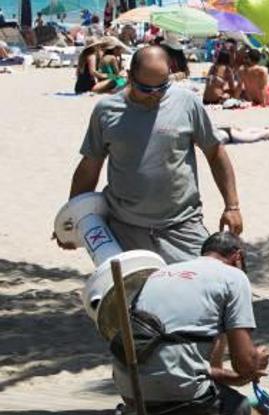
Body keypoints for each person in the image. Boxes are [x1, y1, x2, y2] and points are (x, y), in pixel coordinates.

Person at [57, 46, 244, 263]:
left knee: (201, 285)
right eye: (145, 89)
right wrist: (71, 219)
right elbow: (90, 166)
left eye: (161, 87)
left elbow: (215, 152)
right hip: (125, 229)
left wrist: (232, 206)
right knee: (134, 296)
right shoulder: (106, 110)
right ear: (129, 77)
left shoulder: (187, 103)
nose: (154, 95)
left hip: (183, 226)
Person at [112, 232, 269, 415]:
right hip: (177, 387)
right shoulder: (234, 277)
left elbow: (175, 351)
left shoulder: (160, 273)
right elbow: (245, 365)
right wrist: (255, 362)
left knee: (196, 394)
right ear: (238, 257)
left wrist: (236, 378)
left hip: (129, 385)